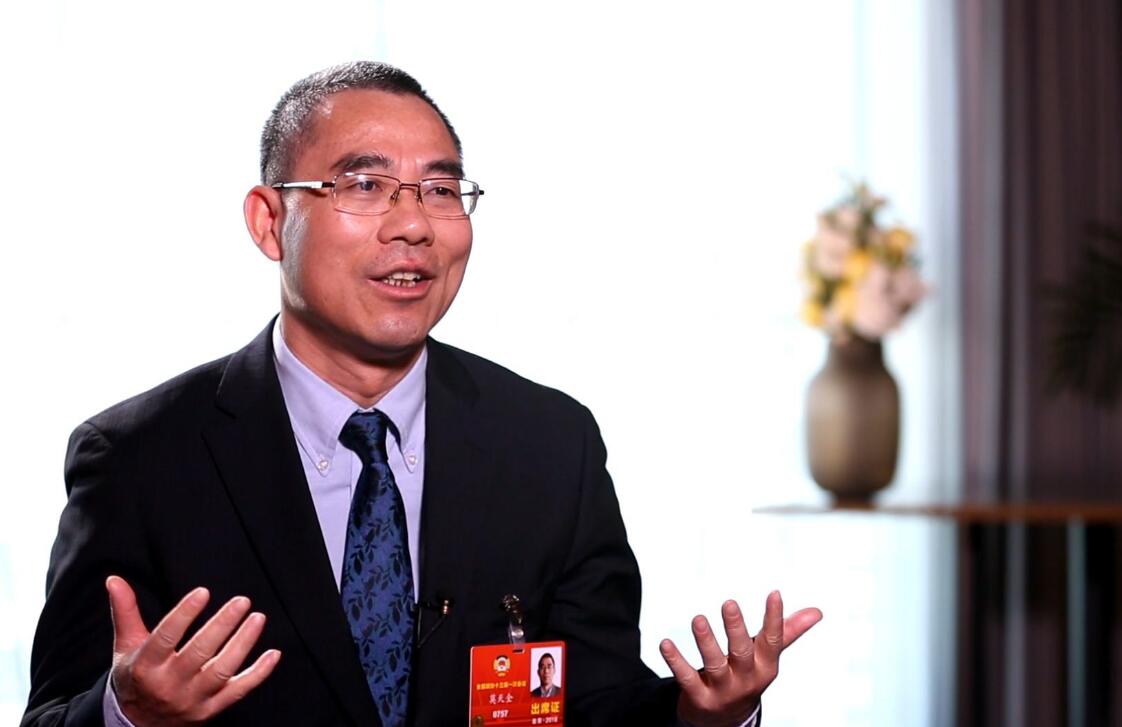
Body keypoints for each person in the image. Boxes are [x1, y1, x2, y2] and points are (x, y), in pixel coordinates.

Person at [22, 62, 821, 727]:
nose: (413, 225)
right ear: (269, 222)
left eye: (441, 190)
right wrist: (128, 712)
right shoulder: (139, 457)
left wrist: (704, 716)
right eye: (366, 184)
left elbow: (594, 705)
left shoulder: (551, 445)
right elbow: (56, 713)